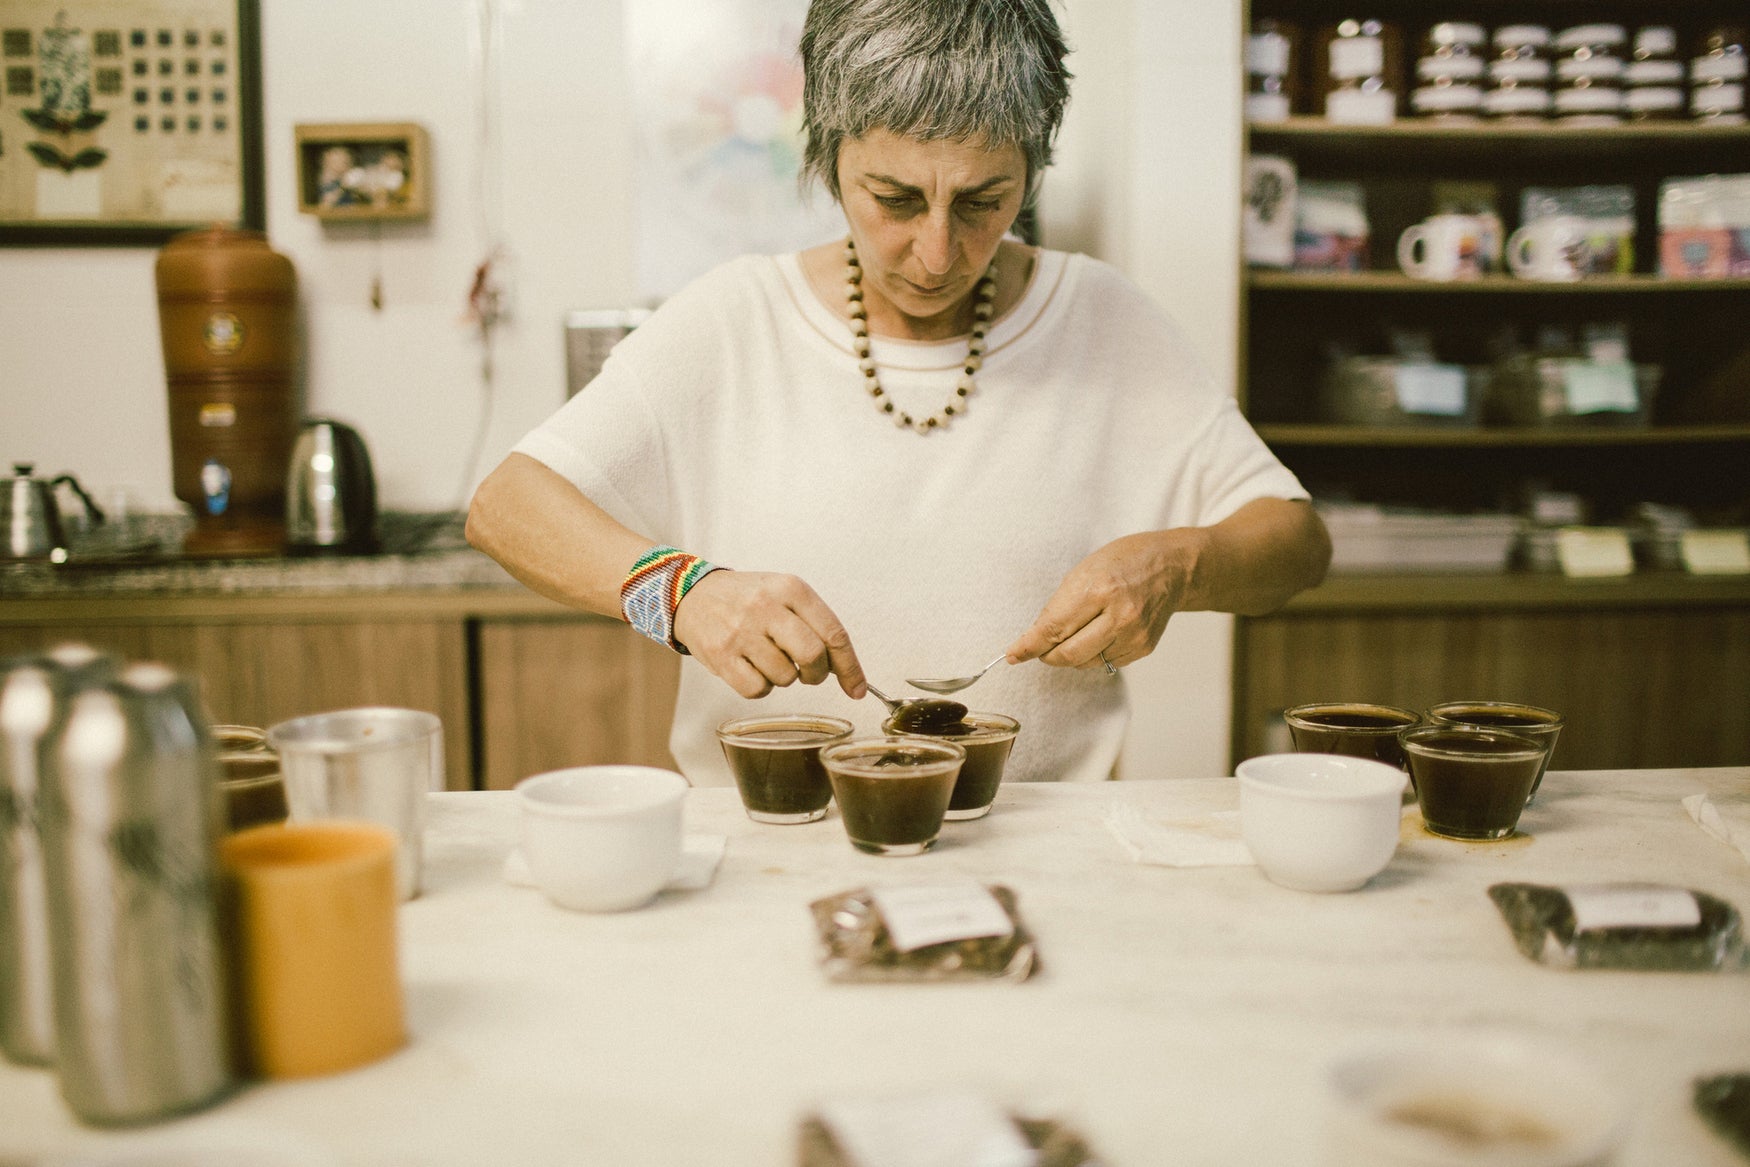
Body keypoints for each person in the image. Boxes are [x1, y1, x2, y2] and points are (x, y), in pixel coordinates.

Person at [467, 0, 1330, 786]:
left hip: (1047, 853)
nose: (937, 253)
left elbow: (1295, 539)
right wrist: (680, 591)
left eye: (984, 201)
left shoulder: (1104, 319)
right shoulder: (732, 321)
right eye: (895, 198)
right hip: (769, 843)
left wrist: (1179, 565)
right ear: (828, 158)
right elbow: (506, 506)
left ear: (1033, 170)